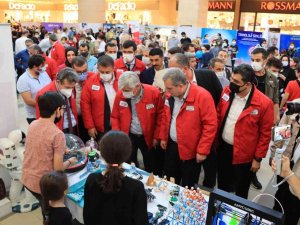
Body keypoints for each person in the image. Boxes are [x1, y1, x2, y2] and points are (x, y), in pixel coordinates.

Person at [217, 64, 274, 199]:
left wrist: (257, 159)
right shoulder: (226, 91)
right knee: (222, 184)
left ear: (247, 84)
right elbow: (219, 113)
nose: (232, 83)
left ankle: (238, 216)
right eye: (231, 79)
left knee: (241, 190)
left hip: (245, 155)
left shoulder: (264, 103)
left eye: (236, 82)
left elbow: (265, 134)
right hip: (224, 149)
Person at [22, 92, 77, 221]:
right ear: (58, 109)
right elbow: (58, 169)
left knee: (45, 210)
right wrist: (69, 161)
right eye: (62, 109)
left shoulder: (33, 124)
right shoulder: (57, 134)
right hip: (43, 185)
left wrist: (61, 149)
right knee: (51, 216)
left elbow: (41, 146)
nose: (62, 112)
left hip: (27, 179)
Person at [160, 68, 217, 187]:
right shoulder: (170, 96)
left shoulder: (202, 96)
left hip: (191, 150)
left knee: (188, 184)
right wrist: (163, 137)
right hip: (172, 146)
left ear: (181, 86)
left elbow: (210, 126)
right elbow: (166, 117)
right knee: (170, 180)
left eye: (169, 88)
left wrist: (202, 150)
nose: (167, 91)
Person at [83, 131, 148, 225]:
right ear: (127, 155)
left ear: (102, 154)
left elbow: (87, 217)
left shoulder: (91, 180)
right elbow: (141, 221)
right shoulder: (136, 188)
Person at [111, 71, 164, 173]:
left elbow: (160, 116)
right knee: (129, 161)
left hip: (148, 135)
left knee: (151, 163)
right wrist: (118, 136)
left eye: (128, 90)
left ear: (138, 86)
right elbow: (115, 116)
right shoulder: (120, 94)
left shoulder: (153, 93)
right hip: (128, 135)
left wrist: (157, 136)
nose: (125, 93)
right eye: (123, 90)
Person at [81, 56, 118, 141]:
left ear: (113, 68)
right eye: (102, 72)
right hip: (100, 127)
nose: (105, 74)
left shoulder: (121, 79)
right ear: (97, 69)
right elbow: (85, 105)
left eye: (107, 72)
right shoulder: (90, 82)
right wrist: (90, 126)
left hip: (120, 124)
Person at [36, 68, 79, 134]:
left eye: (72, 87)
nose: (70, 90)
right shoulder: (44, 94)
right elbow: (42, 119)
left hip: (73, 125)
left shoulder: (69, 85)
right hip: (57, 130)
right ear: (58, 82)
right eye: (67, 87)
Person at [17, 55, 51, 124]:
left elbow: (51, 87)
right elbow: (28, 101)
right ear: (35, 67)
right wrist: (47, 107)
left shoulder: (43, 73)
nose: (43, 67)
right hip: (34, 116)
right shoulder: (23, 79)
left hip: (49, 113)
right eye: (42, 66)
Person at [251, 48, 280, 124]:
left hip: (266, 116)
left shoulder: (273, 78)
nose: (254, 62)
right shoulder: (247, 76)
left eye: (257, 60)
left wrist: (276, 117)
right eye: (252, 60)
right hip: (250, 115)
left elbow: (275, 100)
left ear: (265, 61)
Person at [71, 56, 95, 142]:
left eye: (84, 71)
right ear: (72, 70)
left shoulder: (94, 78)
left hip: (92, 117)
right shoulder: (68, 81)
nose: (82, 74)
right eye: (78, 72)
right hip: (76, 118)